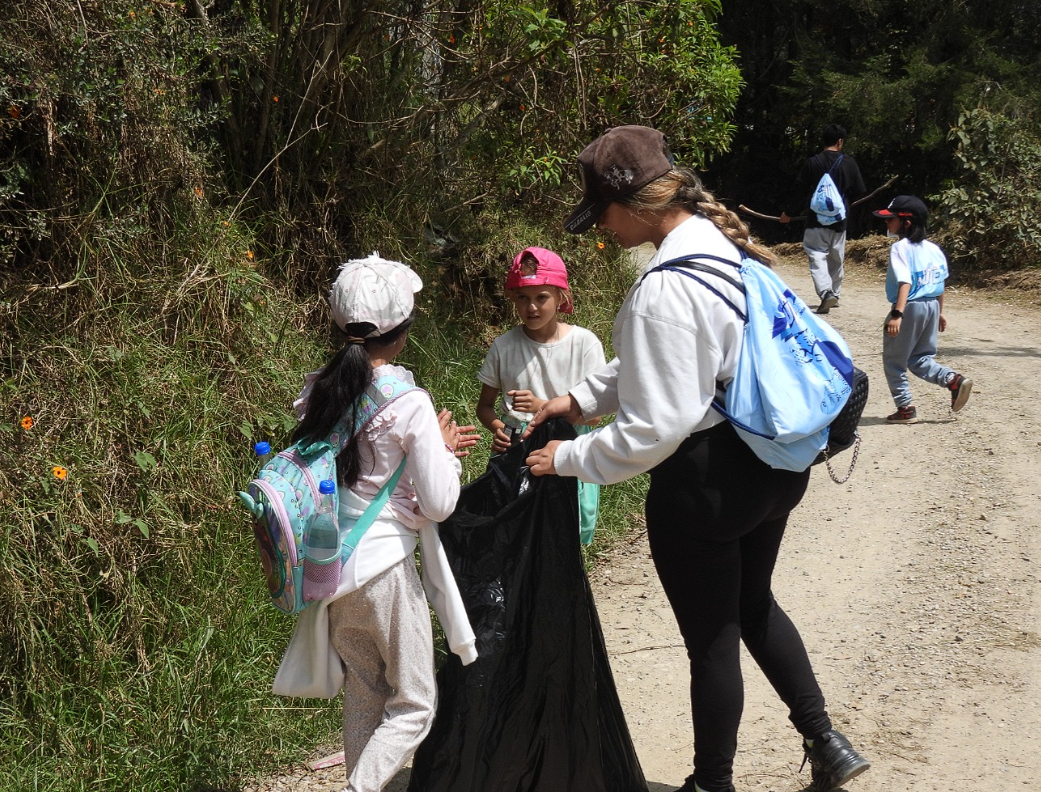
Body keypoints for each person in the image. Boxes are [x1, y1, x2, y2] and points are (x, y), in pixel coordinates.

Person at [527, 125, 871, 792]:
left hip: (708, 482)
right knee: (755, 604)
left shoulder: (661, 287)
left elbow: (656, 427)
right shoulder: (719, 249)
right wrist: (577, 398)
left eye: (599, 210)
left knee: (711, 639)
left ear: (633, 203)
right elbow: (661, 360)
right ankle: (825, 740)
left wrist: (566, 457)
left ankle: (710, 784)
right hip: (774, 464)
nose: (599, 227)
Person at [271, 253, 481, 792]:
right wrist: (448, 451)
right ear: (404, 331)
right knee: (415, 704)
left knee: (365, 692)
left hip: (332, 569)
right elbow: (440, 503)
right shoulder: (409, 402)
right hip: (386, 569)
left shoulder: (319, 389)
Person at [475, 246, 607, 544]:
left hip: (567, 452)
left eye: (541, 297)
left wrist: (541, 406)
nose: (531, 307)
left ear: (562, 297)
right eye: (523, 297)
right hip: (516, 456)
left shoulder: (584, 344)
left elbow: (596, 414)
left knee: (563, 538)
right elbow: (485, 407)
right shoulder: (504, 346)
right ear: (512, 298)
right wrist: (499, 430)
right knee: (513, 536)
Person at [874, 196, 973, 423]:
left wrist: (897, 314)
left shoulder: (900, 248)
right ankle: (953, 380)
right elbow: (940, 283)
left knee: (894, 361)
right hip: (930, 306)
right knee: (919, 357)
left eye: (891, 219)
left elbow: (905, 282)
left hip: (909, 307)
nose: (887, 223)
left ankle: (905, 409)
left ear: (906, 223)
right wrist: (939, 311)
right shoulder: (934, 249)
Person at [780, 123, 866, 314]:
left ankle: (826, 292)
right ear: (840, 141)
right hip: (840, 220)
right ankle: (834, 294)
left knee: (816, 255)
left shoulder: (813, 163)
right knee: (836, 257)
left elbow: (800, 191)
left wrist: (788, 213)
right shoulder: (849, 163)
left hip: (815, 221)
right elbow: (859, 191)